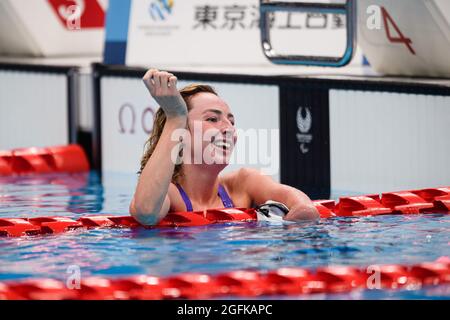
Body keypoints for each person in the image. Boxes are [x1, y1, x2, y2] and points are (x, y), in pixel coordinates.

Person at [129, 69, 319, 225]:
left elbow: (305, 208)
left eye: (231, 121)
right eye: (212, 119)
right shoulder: (170, 194)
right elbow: (146, 213)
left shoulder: (244, 184)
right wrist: (175, 116)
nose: (228, 129)